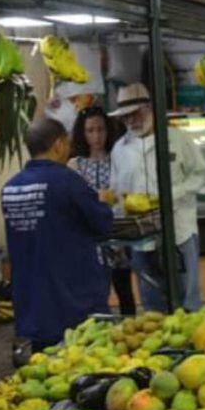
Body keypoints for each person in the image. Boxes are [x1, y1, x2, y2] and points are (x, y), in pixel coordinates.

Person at [1, 118, 113, 350]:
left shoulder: (10, 188)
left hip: (31, 307)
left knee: (44, 372)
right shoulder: (68, 181)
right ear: (59, 144)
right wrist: (103, 201)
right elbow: (103, 223)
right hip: (73, 304)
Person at [109, 83, 205, 312]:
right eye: (126, 118)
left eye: (136, 114)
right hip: (141, 238)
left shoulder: (177, 139)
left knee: (187, 299)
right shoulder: (119, 150)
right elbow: (116, 192)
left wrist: (173, 193)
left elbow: (202, 176)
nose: (131, 121)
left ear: (150, 109)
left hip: (179, 231)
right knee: (152, 302)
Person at [69, 106, 136, 316]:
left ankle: (131, 329)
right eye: (90, 130)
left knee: (124, 291)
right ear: (83, 133)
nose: (96, 136)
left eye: (100, 129)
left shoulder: (118, 159)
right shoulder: (75, 165)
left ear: (108, 131)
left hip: (118, 233)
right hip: (88, 239)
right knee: (95, 295)